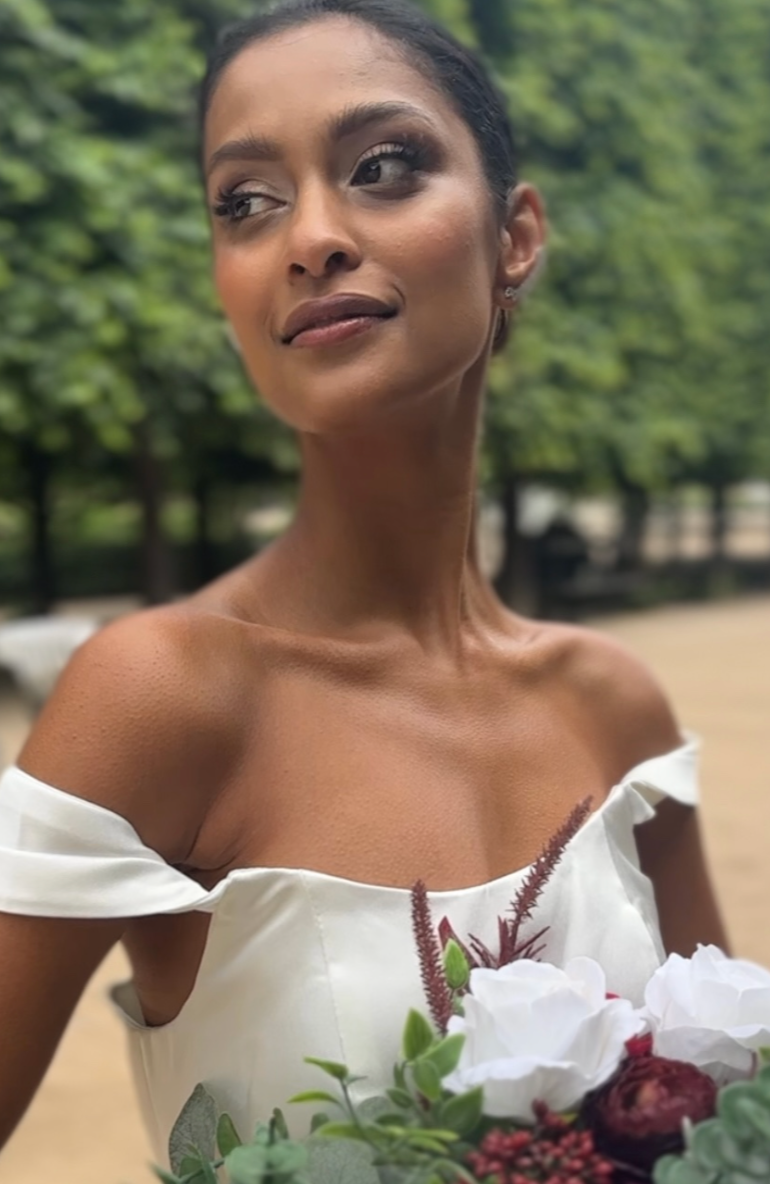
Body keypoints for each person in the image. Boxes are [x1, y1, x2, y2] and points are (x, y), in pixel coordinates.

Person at [0, 0, 727, 1163]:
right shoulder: (160, 696)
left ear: (514, 235)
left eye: (383, 167)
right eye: (246, 201)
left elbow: (730, 1125)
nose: (310, 236)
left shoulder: (617, 710)